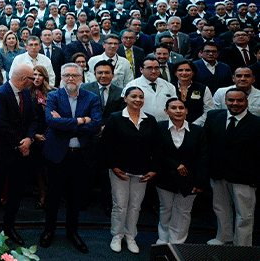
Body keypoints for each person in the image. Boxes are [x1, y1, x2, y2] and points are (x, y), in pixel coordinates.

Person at [41, 63, 102, 254]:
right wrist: (81, 120)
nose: (70, 79)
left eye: (75, 75)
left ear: (82, 78)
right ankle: (49, 230)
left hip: (81, 155)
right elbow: (51, 122)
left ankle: (72, 232)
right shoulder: (53, 96)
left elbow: (97, 124)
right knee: (53, 195)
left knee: (76, 196)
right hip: (58, 155)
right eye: (66, 75)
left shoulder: (91, 97)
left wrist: (64, 124)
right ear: (61, 77)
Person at [102, 86, 160, 254]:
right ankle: (117, 235)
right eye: (133, 96)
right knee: (120, 205)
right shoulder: (115, 118)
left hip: (142, 171)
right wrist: (113, 166)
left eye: (141, 97)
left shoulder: (150, 119)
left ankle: (131, 236)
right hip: (120, 170)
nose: (137, 99)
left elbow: (157, 147)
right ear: (125, 98)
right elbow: (107, 145)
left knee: (135, 206)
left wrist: (154, 169)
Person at [0, 64, 37, 245]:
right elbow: (1, 125)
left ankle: (9, 226)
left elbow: (33, 119)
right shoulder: (0, 94)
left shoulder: (26, 93)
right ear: (24, 79)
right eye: (32, 78)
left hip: (22, 154)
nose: (34, 81)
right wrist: (20, 143)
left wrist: (29, 139)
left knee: (16, 193)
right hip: (2, 153)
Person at [204, 88, 260, 246]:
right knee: (220, 209)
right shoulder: (214, 117)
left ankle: (242, 246)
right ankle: (224, 236)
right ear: (225, 101)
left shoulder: (257, 124)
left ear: (247, 102)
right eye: (231, 100)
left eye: (240, 100)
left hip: (245, 177)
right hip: (218, 174)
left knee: (244, 215)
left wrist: (257, 178)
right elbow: (206, 146)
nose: (235, 103)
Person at [155, 98, 207, 245]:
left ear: (186, 111)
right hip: (164, 176)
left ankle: (177, 242)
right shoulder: (159, 127)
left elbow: (202, 157)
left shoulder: (197, 130)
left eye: (181, 108)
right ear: (166, 111)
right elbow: (156, 152)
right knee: (166, 208)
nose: (178, 111)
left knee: (183, 211)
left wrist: (200, 181)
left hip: (189, 178)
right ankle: (163, 240)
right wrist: (175, 164)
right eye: (173, 108)